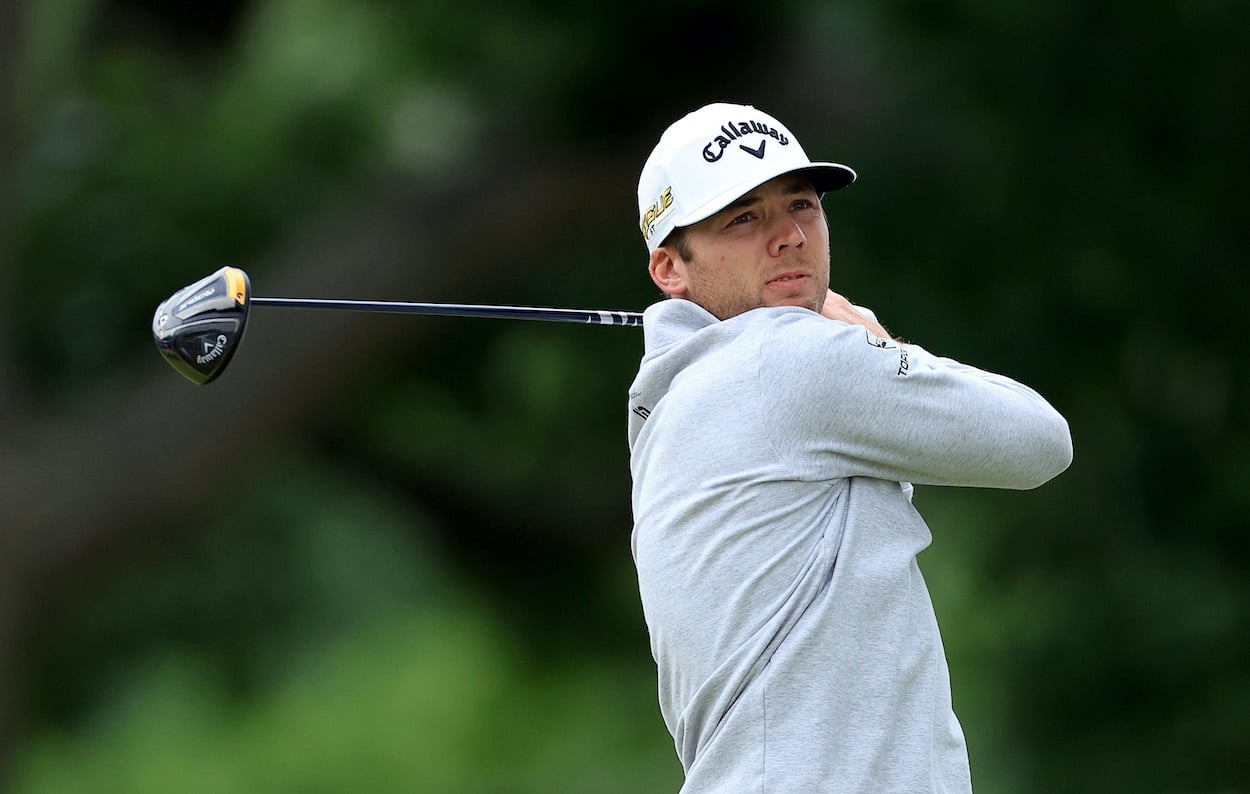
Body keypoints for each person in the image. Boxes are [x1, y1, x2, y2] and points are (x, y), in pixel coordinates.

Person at [627, 102, 1073, 792]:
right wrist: (881, 344)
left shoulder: (664, 407)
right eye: (742, 218)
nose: (789, 237)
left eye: (801, 205)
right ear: (670, 270)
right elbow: (1040, 441)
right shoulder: (790, 358)